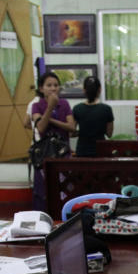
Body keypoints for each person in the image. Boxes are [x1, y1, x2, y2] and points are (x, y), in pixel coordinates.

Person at [25, 71, 75, 211]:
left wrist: (51, 120)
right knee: (43, 193)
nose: (53, 88)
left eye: (56, 85)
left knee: (66, 190)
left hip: (63, 154)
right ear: (41, 88)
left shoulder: (64, 104)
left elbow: (71, 127)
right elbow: (40, 127)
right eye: (49, 85)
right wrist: (50, 107)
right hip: (45, 156)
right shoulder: (37, 106)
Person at [72, 76, 114, 157]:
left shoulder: (77, 108)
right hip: (101, 151)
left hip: (82, 151)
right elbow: (109, 134)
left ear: (84, 90)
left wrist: (83, 132)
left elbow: (71, 133)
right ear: (100, 90)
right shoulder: (106, 109)